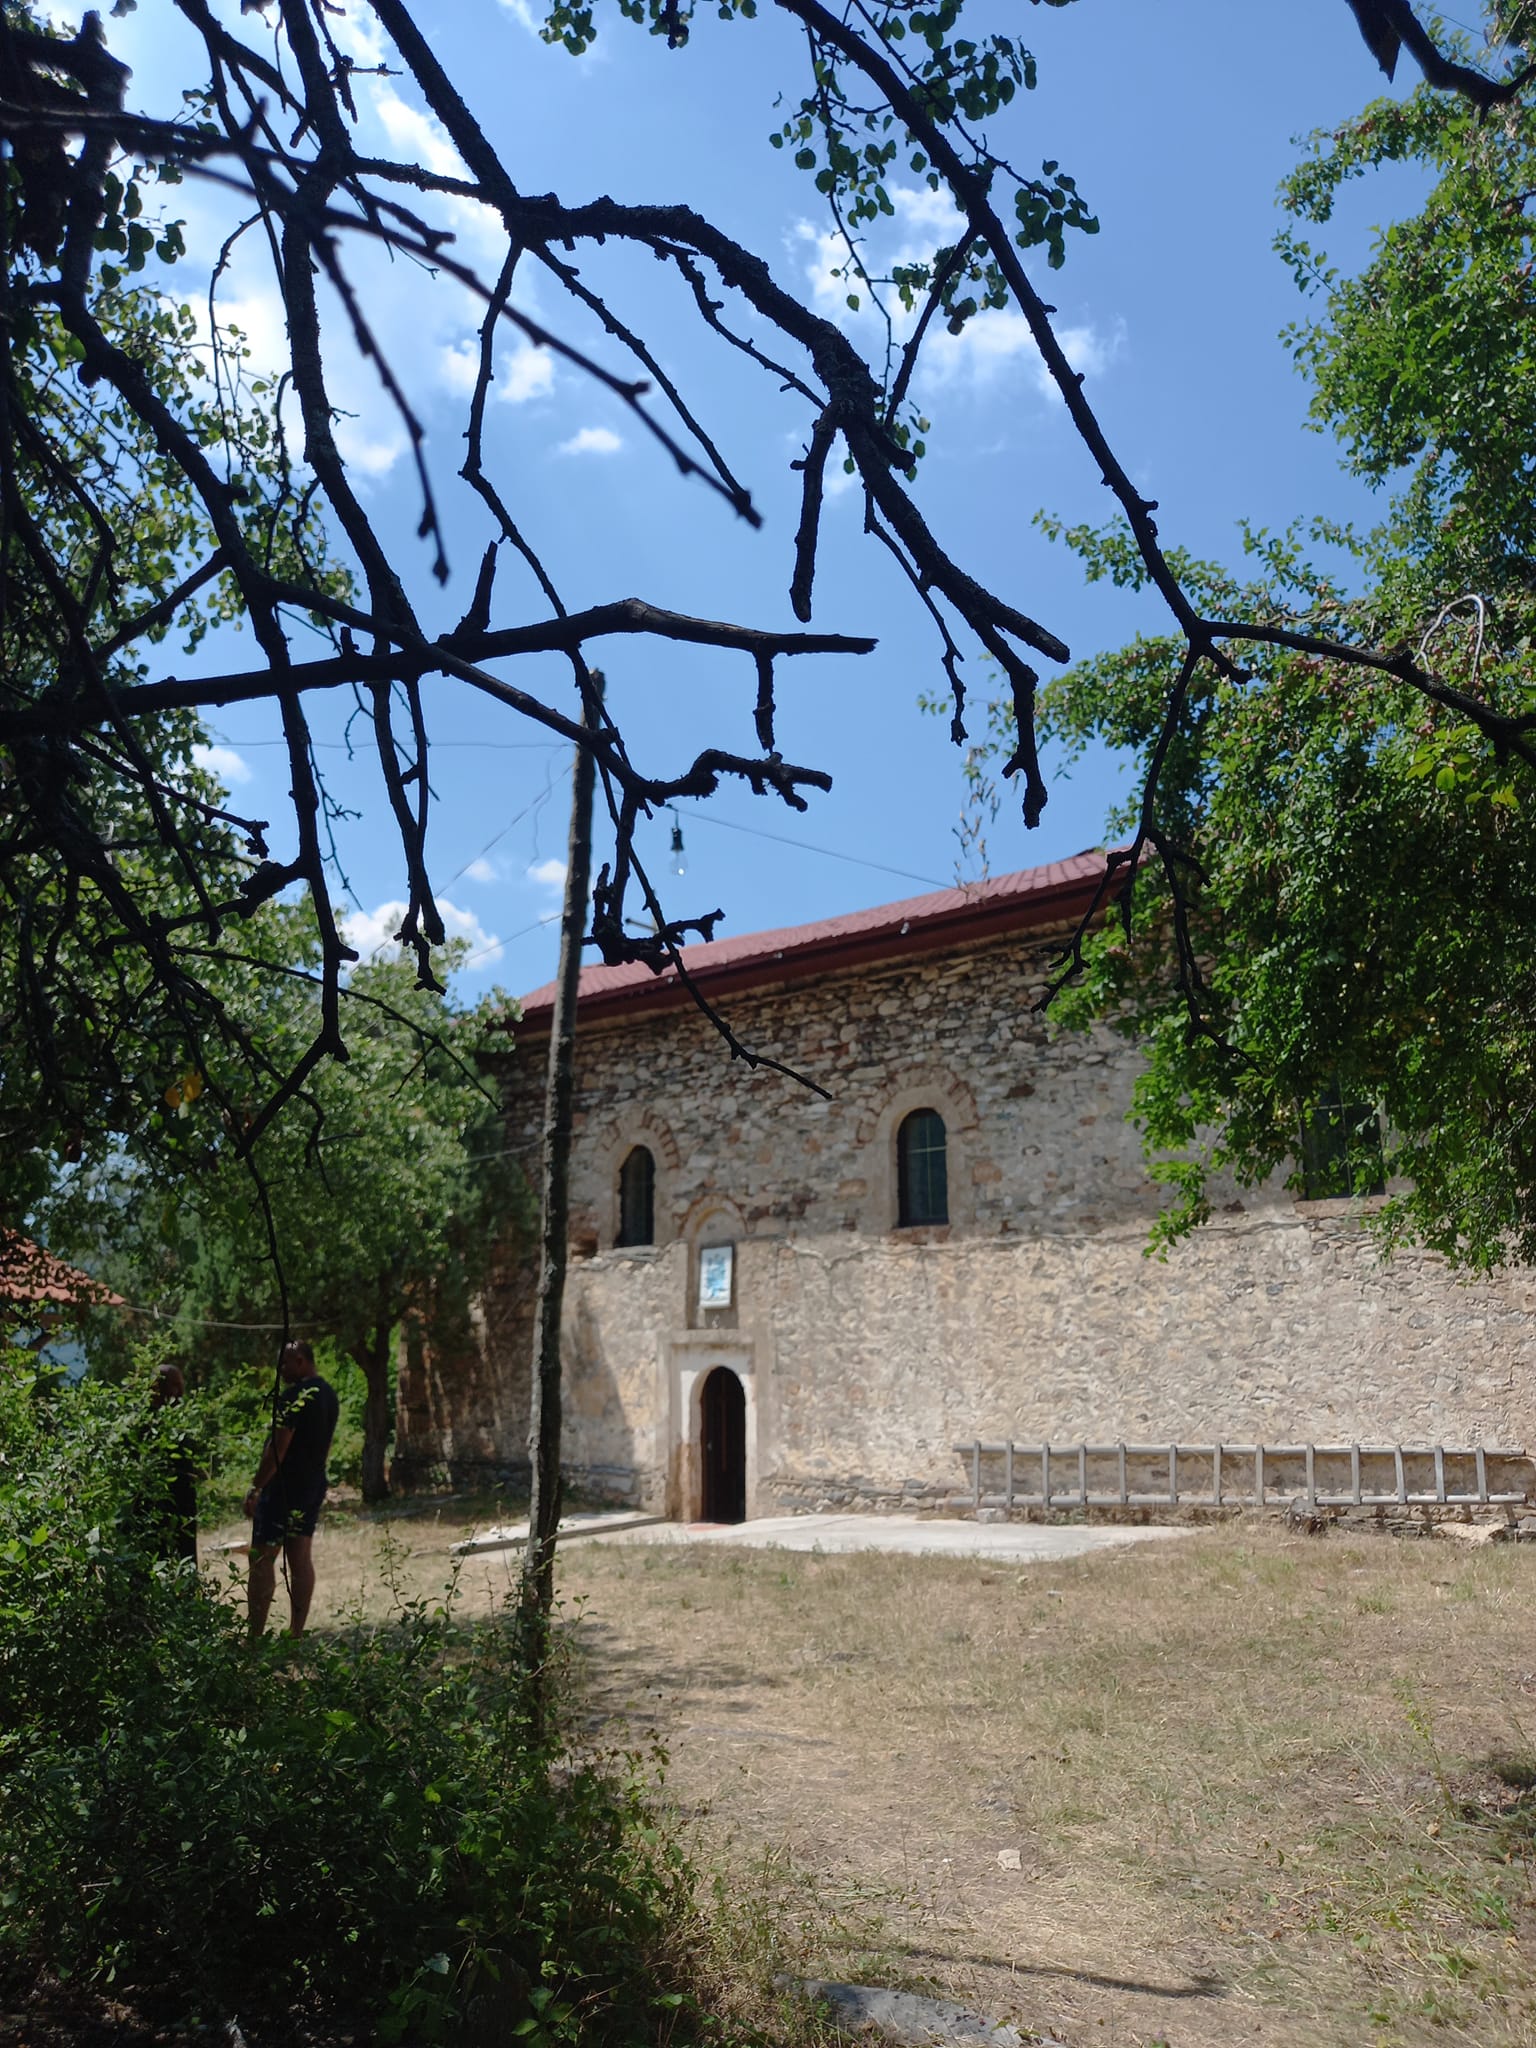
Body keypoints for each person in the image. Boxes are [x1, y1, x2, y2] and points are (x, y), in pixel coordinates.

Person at [245, 1339, 339, 1639]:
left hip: (283, 1488)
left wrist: (256, 1487)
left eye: (284, 1364)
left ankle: (255, 1637)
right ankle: (296, 1634)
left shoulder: (294, 1396)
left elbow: (278, 1447)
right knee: (300, 1559)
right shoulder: (328, 1395)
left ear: (300, 1360)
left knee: (262, 1559)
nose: (280, 1371)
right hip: (312, 1483)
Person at [141, 1361, 198, 1567]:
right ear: (157, 1387)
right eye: (176, 1386)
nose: (181, 1393)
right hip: (155, 1506)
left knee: (186, 1555)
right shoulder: (144, 1422)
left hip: (183, 1504)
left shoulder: (179, 1419)